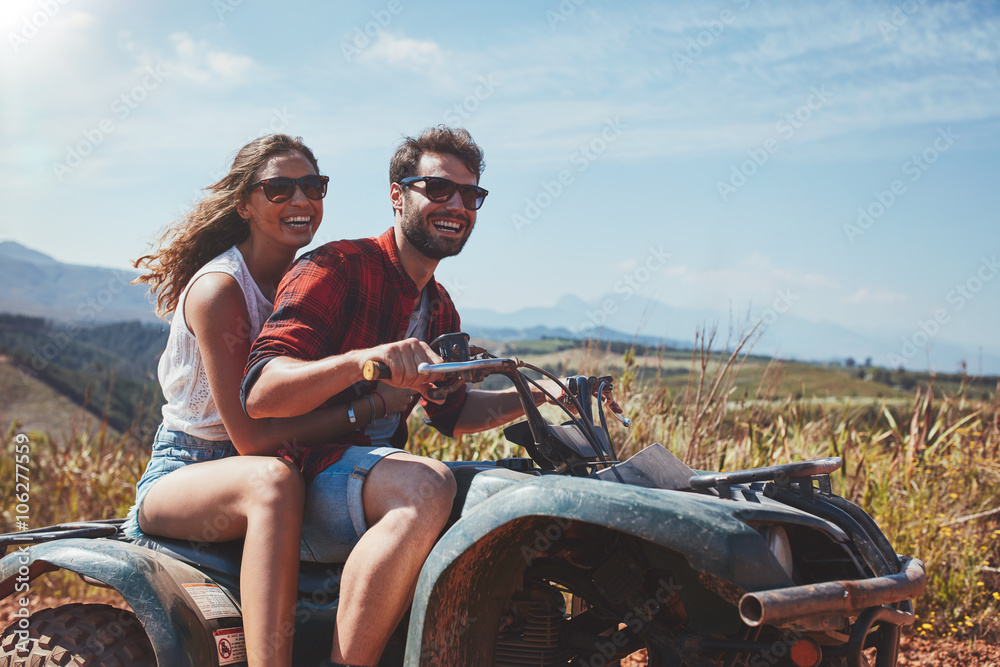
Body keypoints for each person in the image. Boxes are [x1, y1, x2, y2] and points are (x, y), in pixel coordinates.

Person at [242, 125, 565, 667]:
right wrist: (365, 362)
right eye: (438, 190)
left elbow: (453, 414)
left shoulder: (439, 307)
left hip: (367, 478)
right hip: (308, 474)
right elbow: (261, 390)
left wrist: (537, 394)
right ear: (398, 194)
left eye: (470, 195)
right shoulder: (335, 268)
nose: (457, 205)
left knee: (513, 490)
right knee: (426, 483)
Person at [124, 133, 412, 667]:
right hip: (189, 469)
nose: (301, 200)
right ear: (245, 205)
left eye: (313, 186)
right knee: (272, 483)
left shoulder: (310, 281)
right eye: (279, 189)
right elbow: (250, 437)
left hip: (273, 459)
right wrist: (374, 406)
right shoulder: (221, 290)